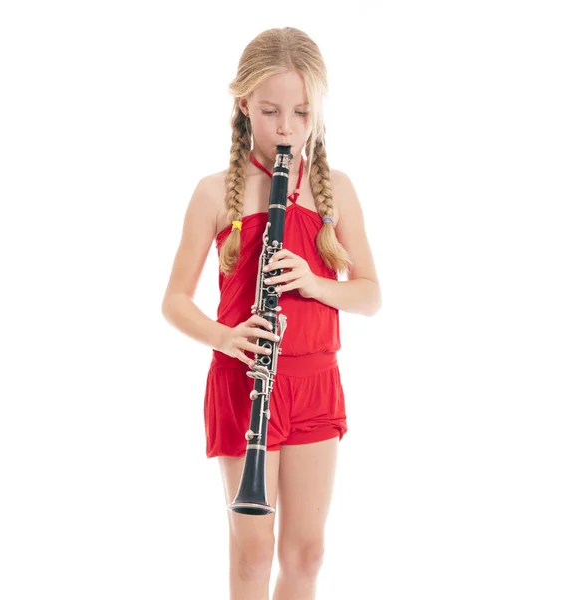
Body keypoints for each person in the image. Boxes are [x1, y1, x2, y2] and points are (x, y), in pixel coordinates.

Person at [162, 26, 381, 600]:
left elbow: (370, 294)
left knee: (307, 554)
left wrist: (314, 281)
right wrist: (227, 337)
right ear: (243, 105)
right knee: (253, 555)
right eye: (270, 111)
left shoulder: (337, 189)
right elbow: (174, 301)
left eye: (302, 113)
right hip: (245, 382)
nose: (286, 129)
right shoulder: (215, 194)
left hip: (315, 384)